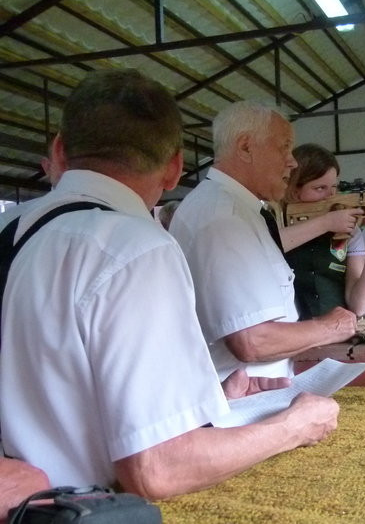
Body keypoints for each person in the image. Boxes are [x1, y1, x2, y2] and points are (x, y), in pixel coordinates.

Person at [0, 69, 338, 501]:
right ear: (175, 168)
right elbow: (159, 469)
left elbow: (52, 382)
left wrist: (200, 400)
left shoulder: (11, 227)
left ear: (60, 149)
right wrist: (294, 426)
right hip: (78, 507)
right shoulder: (134, 247)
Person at [170, 101, 358, 380]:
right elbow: (252, 341)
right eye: (284, 147)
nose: (292, 161)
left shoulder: (238, 210)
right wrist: (331, 327)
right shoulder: (224, 218)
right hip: (243, 398)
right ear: (246, 147)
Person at [282, 143, 365, 318]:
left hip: (337, 329)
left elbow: (359, 306)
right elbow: (272, 243)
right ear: (295, 190)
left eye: (334, 187)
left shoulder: (348, 230)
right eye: (320, 188)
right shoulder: (279, 222)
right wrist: (326, 223)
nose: (331, 196)